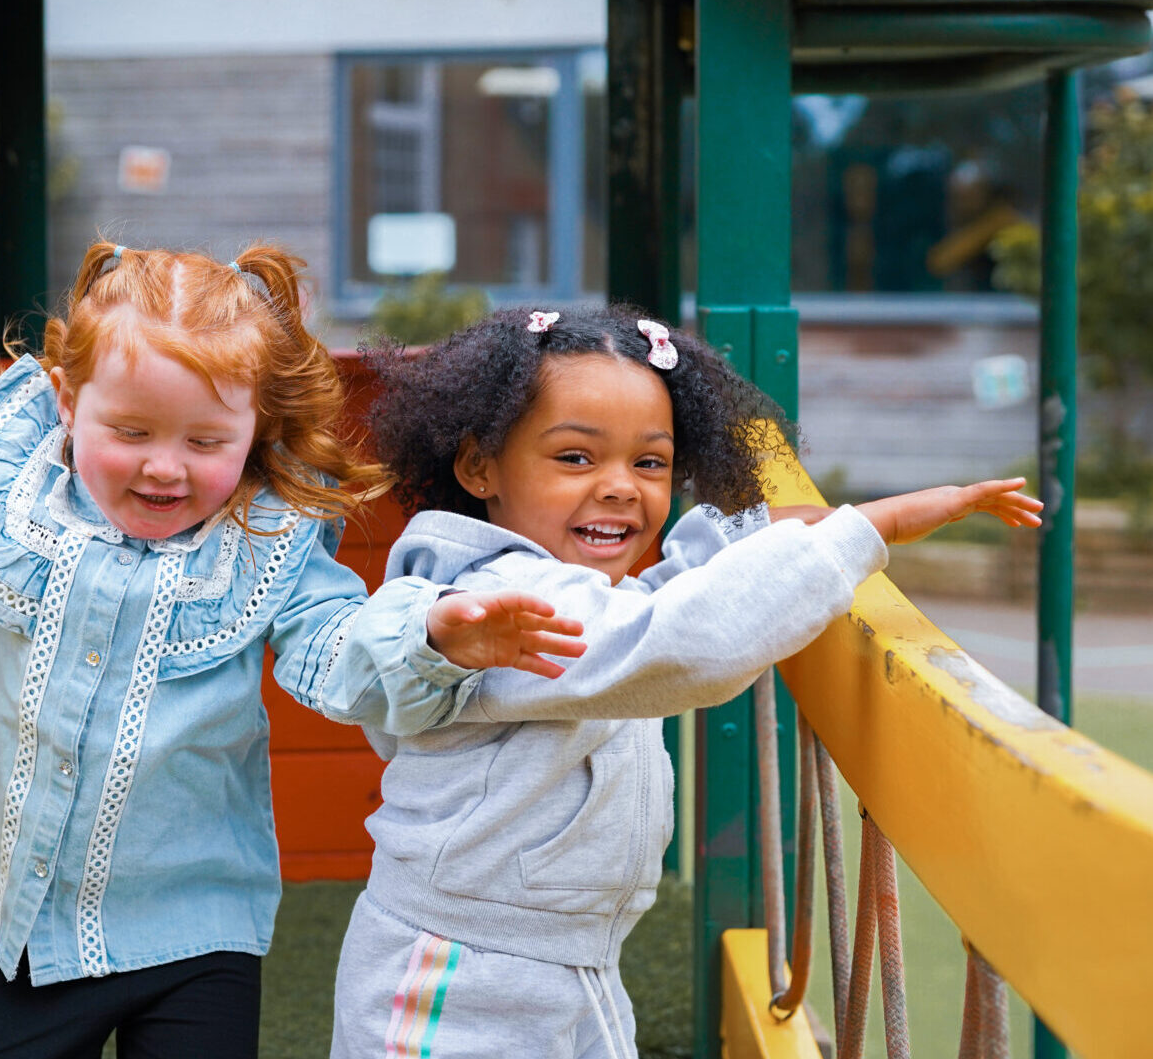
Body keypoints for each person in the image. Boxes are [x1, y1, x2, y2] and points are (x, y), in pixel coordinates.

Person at [0, 243, 587, 1059]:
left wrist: (429, 634)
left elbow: (331, 644)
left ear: (255, 425)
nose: (165, 466)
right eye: (130, 431)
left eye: (208, 439)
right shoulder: (7, 479)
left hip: (200, 921)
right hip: (27, 920)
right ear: (66, 398)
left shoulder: (264, 540)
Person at [331, 305, 1041, 1059]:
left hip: (566, 963)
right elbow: (677, 639)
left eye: (650, 463)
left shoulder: (578, 593)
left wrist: (767, 529)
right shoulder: (507, 604)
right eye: (575, 457)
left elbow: (652, 599)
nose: (619, 488)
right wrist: (868, 528)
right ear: (479, 467)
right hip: (460, 978)